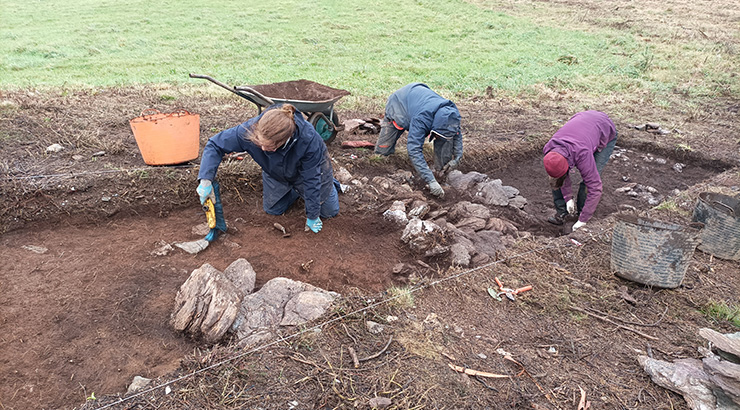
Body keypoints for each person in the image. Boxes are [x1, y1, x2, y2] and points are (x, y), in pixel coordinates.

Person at [197, 104, 340, 240]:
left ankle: (329, 184)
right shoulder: (249, 130)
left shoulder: (308, 140)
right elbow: (215, 145)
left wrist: (313, 215)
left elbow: (312, 178)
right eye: (260, 144)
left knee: (329, 212)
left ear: (284, 141)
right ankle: (296, 192)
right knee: (274, 210)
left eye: (269, 146)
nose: (263, 149)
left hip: (308, 174)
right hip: (276, 172)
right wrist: (205, 179)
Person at [374, 83, 463, 198]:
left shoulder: (451, 113)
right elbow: (414, 149)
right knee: (383, 151)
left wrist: (457, 158)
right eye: (437, 135)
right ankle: (383, 168)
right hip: (399, 103)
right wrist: (430, 180)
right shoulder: (422, 118)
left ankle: (440, 173)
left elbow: (456, 133)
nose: (438, 138)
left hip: (419, 97)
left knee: (446, 138)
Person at [543, 110, 617, 231]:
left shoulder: (582, 154)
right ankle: (562, 212)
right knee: (556, 181)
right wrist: (568, 198)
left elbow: (595, 187)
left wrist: (583, 219)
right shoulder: (549, 148)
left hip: (604, 128)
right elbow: (559, 175)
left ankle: (582, 216)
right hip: (582, 127)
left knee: (590, 180)